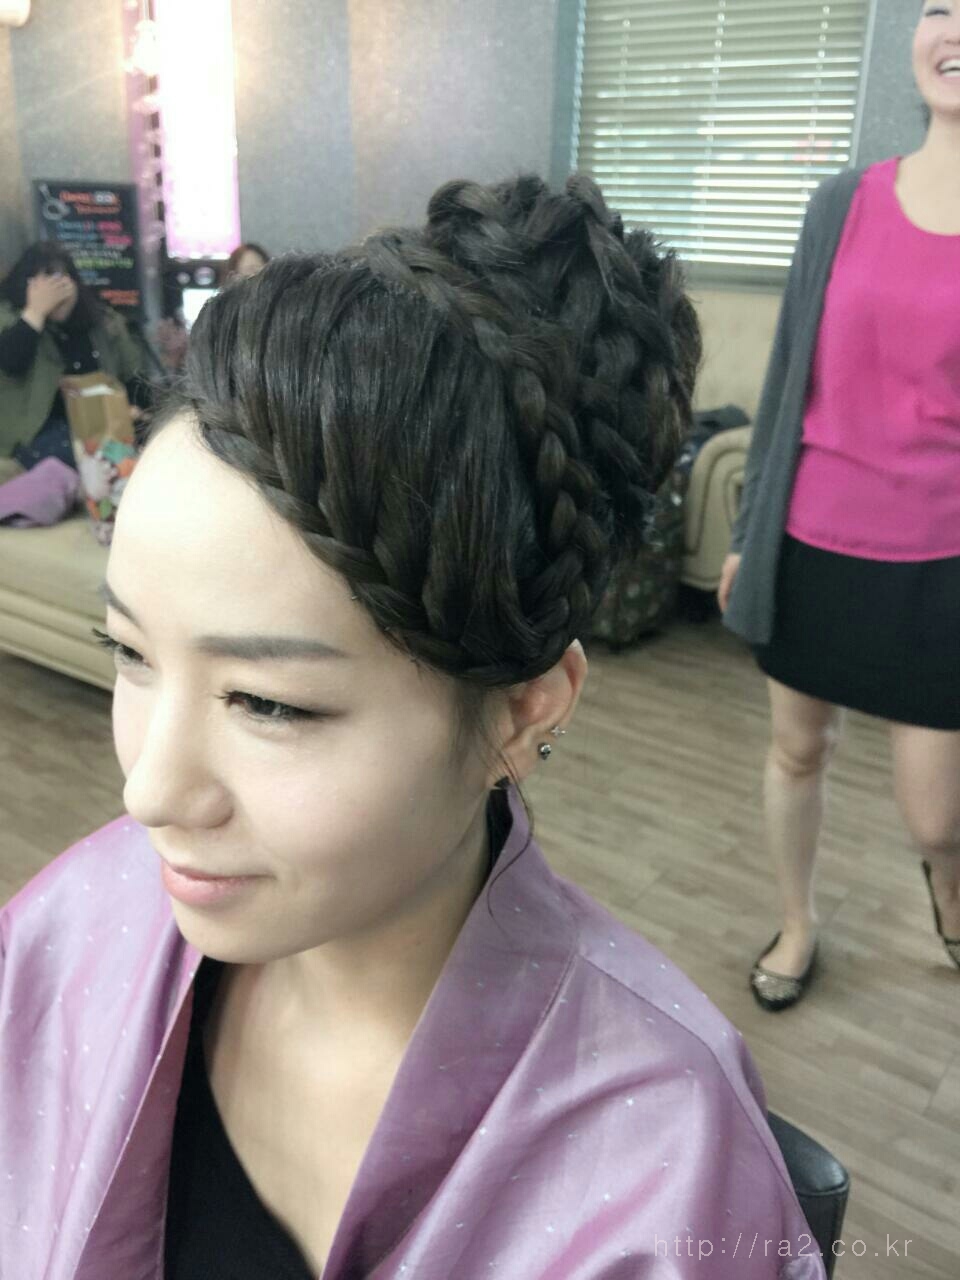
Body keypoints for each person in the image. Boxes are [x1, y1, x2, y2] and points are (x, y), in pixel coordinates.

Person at [0, 175, 825, 1279]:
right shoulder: (75, 923)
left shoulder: (662, 1180)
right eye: (130, 653)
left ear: (524, 712)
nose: (148, 791)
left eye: (268, 702)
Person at [720, 0, 960, 1011]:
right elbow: (788, 379)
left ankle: (949, 892)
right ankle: (799, 921)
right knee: (796, 749)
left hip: (942, 560)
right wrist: (749, 536)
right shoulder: (839, 204)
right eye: (939, 6)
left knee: (937, 816)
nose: (952, 29)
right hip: (811, 538)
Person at [0, 242, 149, 466]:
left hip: (101, 430)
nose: (57, 290)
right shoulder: (9, 319)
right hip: (33, 440)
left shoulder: (104, 323)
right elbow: (10, 363)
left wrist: (139, 413)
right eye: (47, 280)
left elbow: (134, 379)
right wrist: (35, 313)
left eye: (62, 279)